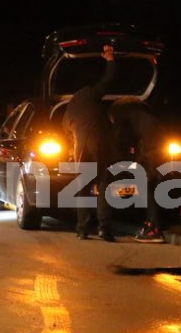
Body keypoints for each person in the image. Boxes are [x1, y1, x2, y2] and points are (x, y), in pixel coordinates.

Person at [63, 43, 117, 241]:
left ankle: (82, 229)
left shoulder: (69, 110)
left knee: (83, 188)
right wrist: (110, 61)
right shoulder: (90, 93)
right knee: (104, 185)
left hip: (81, 149)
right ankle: (104, 229)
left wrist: (73, 151)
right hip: (98, 145)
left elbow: (68, 136)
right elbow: (109, 79)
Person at [109, 96, 169, 243]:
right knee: (151, 191)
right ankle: (152, 225)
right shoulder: (146, 117)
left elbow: (123, 140)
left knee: (145, 191)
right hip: (160, 155)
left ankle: (154, 229)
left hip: (151, 155)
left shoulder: (126, 118)